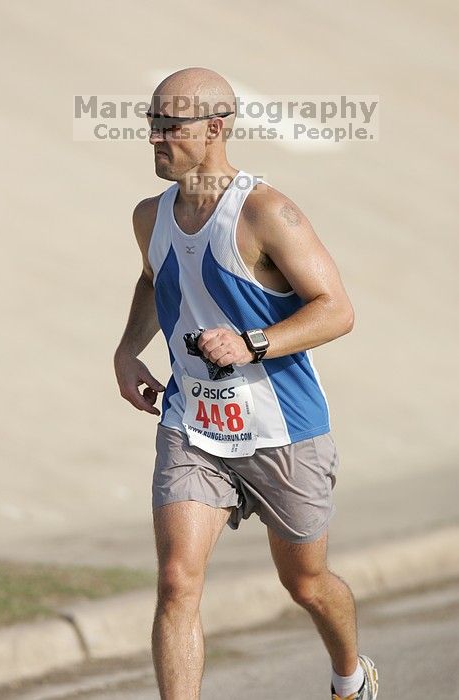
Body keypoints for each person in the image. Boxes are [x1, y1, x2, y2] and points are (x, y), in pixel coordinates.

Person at [114, 67, 379, 700]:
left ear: (215, 129)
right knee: (178, 581)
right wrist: (127, 350)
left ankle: (350, 675)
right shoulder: (150, 216)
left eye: (170, 126)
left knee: (307, 583)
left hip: (283, 428)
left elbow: (336, 309)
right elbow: (154, 279)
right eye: (150, 123)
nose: (155, 137)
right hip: (193, 425)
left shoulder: (265, 212)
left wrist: (254, 342)